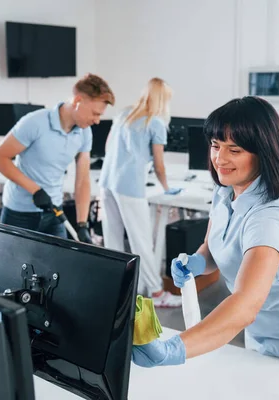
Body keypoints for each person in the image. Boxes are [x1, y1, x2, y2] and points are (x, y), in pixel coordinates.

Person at [131, 96, 279, 399]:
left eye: (235, 149)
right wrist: (198, 263)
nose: (219, 158)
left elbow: (245, 303)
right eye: (216, 145)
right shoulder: (224, 189)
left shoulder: (271, 217)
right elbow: (213, 246)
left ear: (263, 153)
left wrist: (173, 349)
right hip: (257, 329)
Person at [0, 74, 115, 243]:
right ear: (78, 100)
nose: (97, 120)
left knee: (57, 268)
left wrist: (82, 224)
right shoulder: (35, 122)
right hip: (19, 213)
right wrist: (35, 190)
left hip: (54, 213)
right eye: (95, 113)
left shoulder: (84, 132)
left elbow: (83, 179)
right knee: (12, 268)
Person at [98, 78, 183, 308]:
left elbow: (107, 147)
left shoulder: (123, 114)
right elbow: (159, 164)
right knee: (141, 241)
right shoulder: (155, 122)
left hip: (107, 182)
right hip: (129, 187)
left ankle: (115, 289)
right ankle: (156, 293)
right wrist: (166, 188)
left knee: (113, 239)